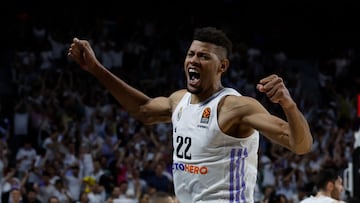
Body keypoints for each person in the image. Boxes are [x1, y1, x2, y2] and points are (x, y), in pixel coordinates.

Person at [68, 26, 313, 203]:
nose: (193, 60)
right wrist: (96, 69)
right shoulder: (179, 101)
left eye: (203, 56)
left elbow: (300, 145)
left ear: (222, 66)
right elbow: (143, 110)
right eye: (191, 54)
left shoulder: (235, 106)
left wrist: (288, 105)